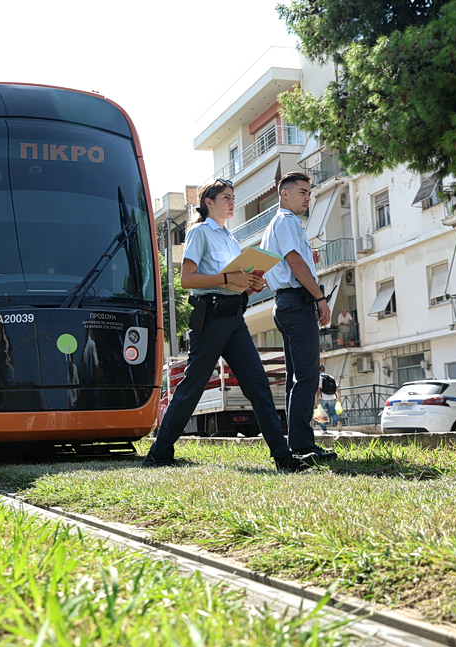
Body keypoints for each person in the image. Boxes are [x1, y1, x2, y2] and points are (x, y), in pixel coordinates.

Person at [144, 179, 312, 473]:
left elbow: (237, 286)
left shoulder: (231, 239)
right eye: (226, 198)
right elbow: (187, 280)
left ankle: (283, 457)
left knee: (258, 385)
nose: (232, 202)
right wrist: (226, 280)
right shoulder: (199, 231)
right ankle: (159, 453)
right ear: (209, 202)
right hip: (209, 318)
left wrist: (252, 284)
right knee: (193, 386)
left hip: (235, 318)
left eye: (234, 197)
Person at [261, 171, 336, 461]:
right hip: (297, 303)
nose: (308, 197)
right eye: (302, 192)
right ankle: (303, 446)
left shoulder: (274, 225)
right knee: (306, 377)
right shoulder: (288, 221)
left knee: (296, 378)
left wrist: (308, 259)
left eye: (309, 192)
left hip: (283, 304)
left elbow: (278, 267)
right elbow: (293, 261)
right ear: (285, 194)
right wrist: (320, 297)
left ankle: (298, 445)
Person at [316, 365, 341, 433]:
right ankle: (337, 422)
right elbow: (336, 387)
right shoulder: (331, 377)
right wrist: (338, 397)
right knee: (333, 413)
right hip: (332, 397)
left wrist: (317, 399)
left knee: (322, 414)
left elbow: (319, 389)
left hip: (323, 398)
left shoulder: (320, 378)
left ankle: (324, 429)